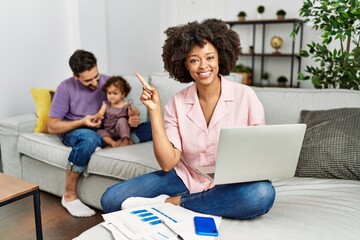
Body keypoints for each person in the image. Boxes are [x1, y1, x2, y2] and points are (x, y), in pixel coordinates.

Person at [101, 19, 275, 219]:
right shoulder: (177, 103)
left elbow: (257, 154)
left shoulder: (246, 96)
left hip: (231, 181)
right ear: (184, 63)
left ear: (220, 58)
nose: (203, 66)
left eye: (210, 57)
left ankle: (169, 203)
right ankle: (207, 202)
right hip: (186, 176)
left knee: (261, 194)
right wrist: (155, 111)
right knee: (112, 199)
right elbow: (167, 163)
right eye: (194, 60)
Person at [48, 49, 140, 217]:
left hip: (105, 128)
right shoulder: (65, 88)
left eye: (96, 76)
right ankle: (69, 196)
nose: (95, 83)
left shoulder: (107, 82)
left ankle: (107, 142)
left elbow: (121, 109)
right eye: (88, 80)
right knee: (89, 138)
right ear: (76, 77)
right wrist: (82, 121)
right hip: (77, 130)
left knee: (150, 128)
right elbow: (52, 126)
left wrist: (132, 121)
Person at [95, 76, 138, 147]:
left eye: (115, 93)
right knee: (100, 132)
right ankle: (112, 143)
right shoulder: (106, 104)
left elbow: (137, 113)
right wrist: (98, 116)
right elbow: (100, 114)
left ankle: (125, 140)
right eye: (109, 93)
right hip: (109, 131)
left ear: (123, 94)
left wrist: (133, 113)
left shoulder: (126, 104)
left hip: (120, 130)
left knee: (122, 120)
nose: (111, 96)